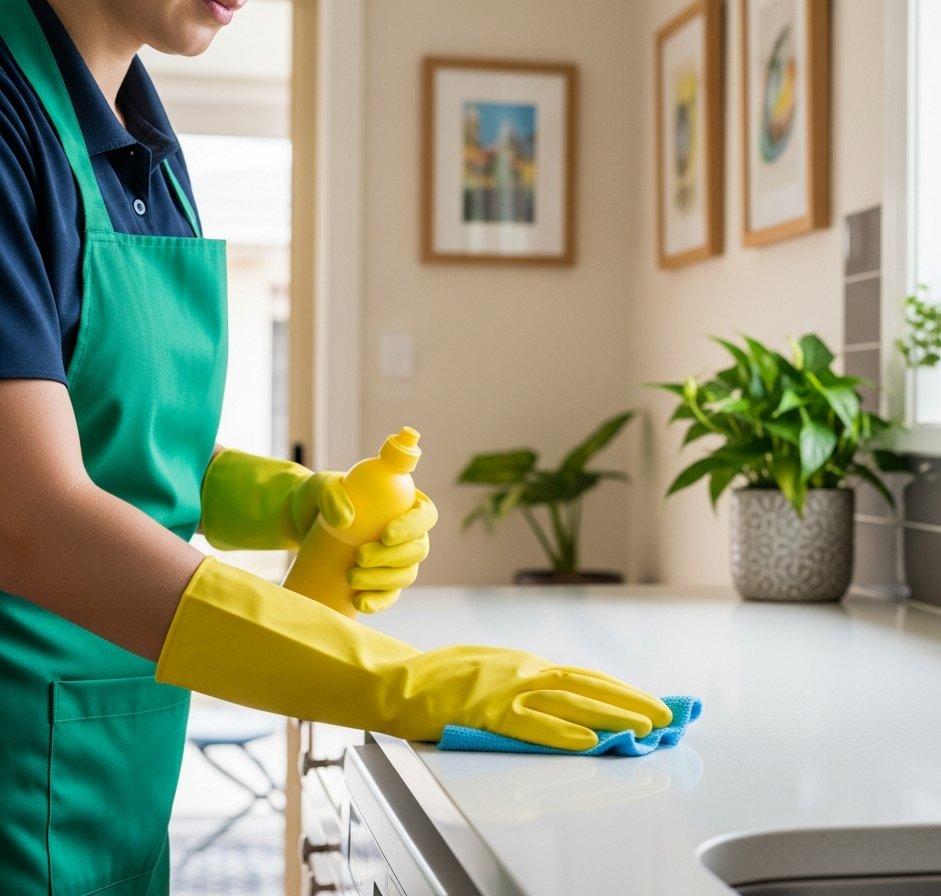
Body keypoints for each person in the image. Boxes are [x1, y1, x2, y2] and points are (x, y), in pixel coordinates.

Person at [0, 0, 671, 892]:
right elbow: (33, 514)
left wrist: (291, 502)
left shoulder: (139, 139)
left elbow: (114, 441)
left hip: (111, 765)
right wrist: (403, 682)